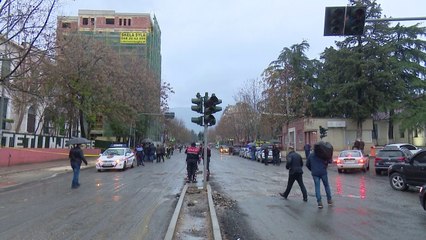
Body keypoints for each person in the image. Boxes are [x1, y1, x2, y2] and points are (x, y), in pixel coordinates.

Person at [306, 143, 333, 209]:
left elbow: (307, 164)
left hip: (315, 173)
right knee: (326, 186)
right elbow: (329, 161)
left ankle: (319, 202)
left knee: (317, 187)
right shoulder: (323, 154)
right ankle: (329, 200)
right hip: (323, 172)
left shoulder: (311, 155)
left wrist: (312, 169)